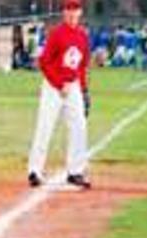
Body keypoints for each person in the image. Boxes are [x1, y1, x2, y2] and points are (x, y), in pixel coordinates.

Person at [26, 0, 91, 189]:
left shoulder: (82, 36)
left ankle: (75, 172)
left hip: (73, 87)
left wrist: (84, 91)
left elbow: (82, 67)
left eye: (75, 10)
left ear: (80, 12)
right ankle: (34, 171)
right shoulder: (57, 33)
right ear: (64, 12)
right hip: (53, 87)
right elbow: (44, 62)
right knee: (45, 126)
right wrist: (58, 83)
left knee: (79, 127)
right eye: (68, 10)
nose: (72, 13)